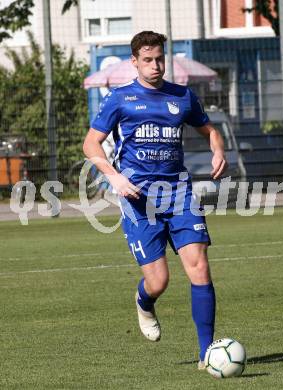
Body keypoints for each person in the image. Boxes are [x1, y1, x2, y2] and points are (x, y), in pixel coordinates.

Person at [83, 31, 227, 369]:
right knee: (158, 281)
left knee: (200, 266)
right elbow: (91, 144)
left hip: (179, 193)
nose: (155, 65)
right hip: (139, 200)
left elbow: (210, 130)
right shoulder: (120, 99)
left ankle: (207, 354)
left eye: (159, 58)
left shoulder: (182, 96)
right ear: (135, 62)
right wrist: (115, 177)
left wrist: (218, 149)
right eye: (147, 60)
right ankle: (144, 302)